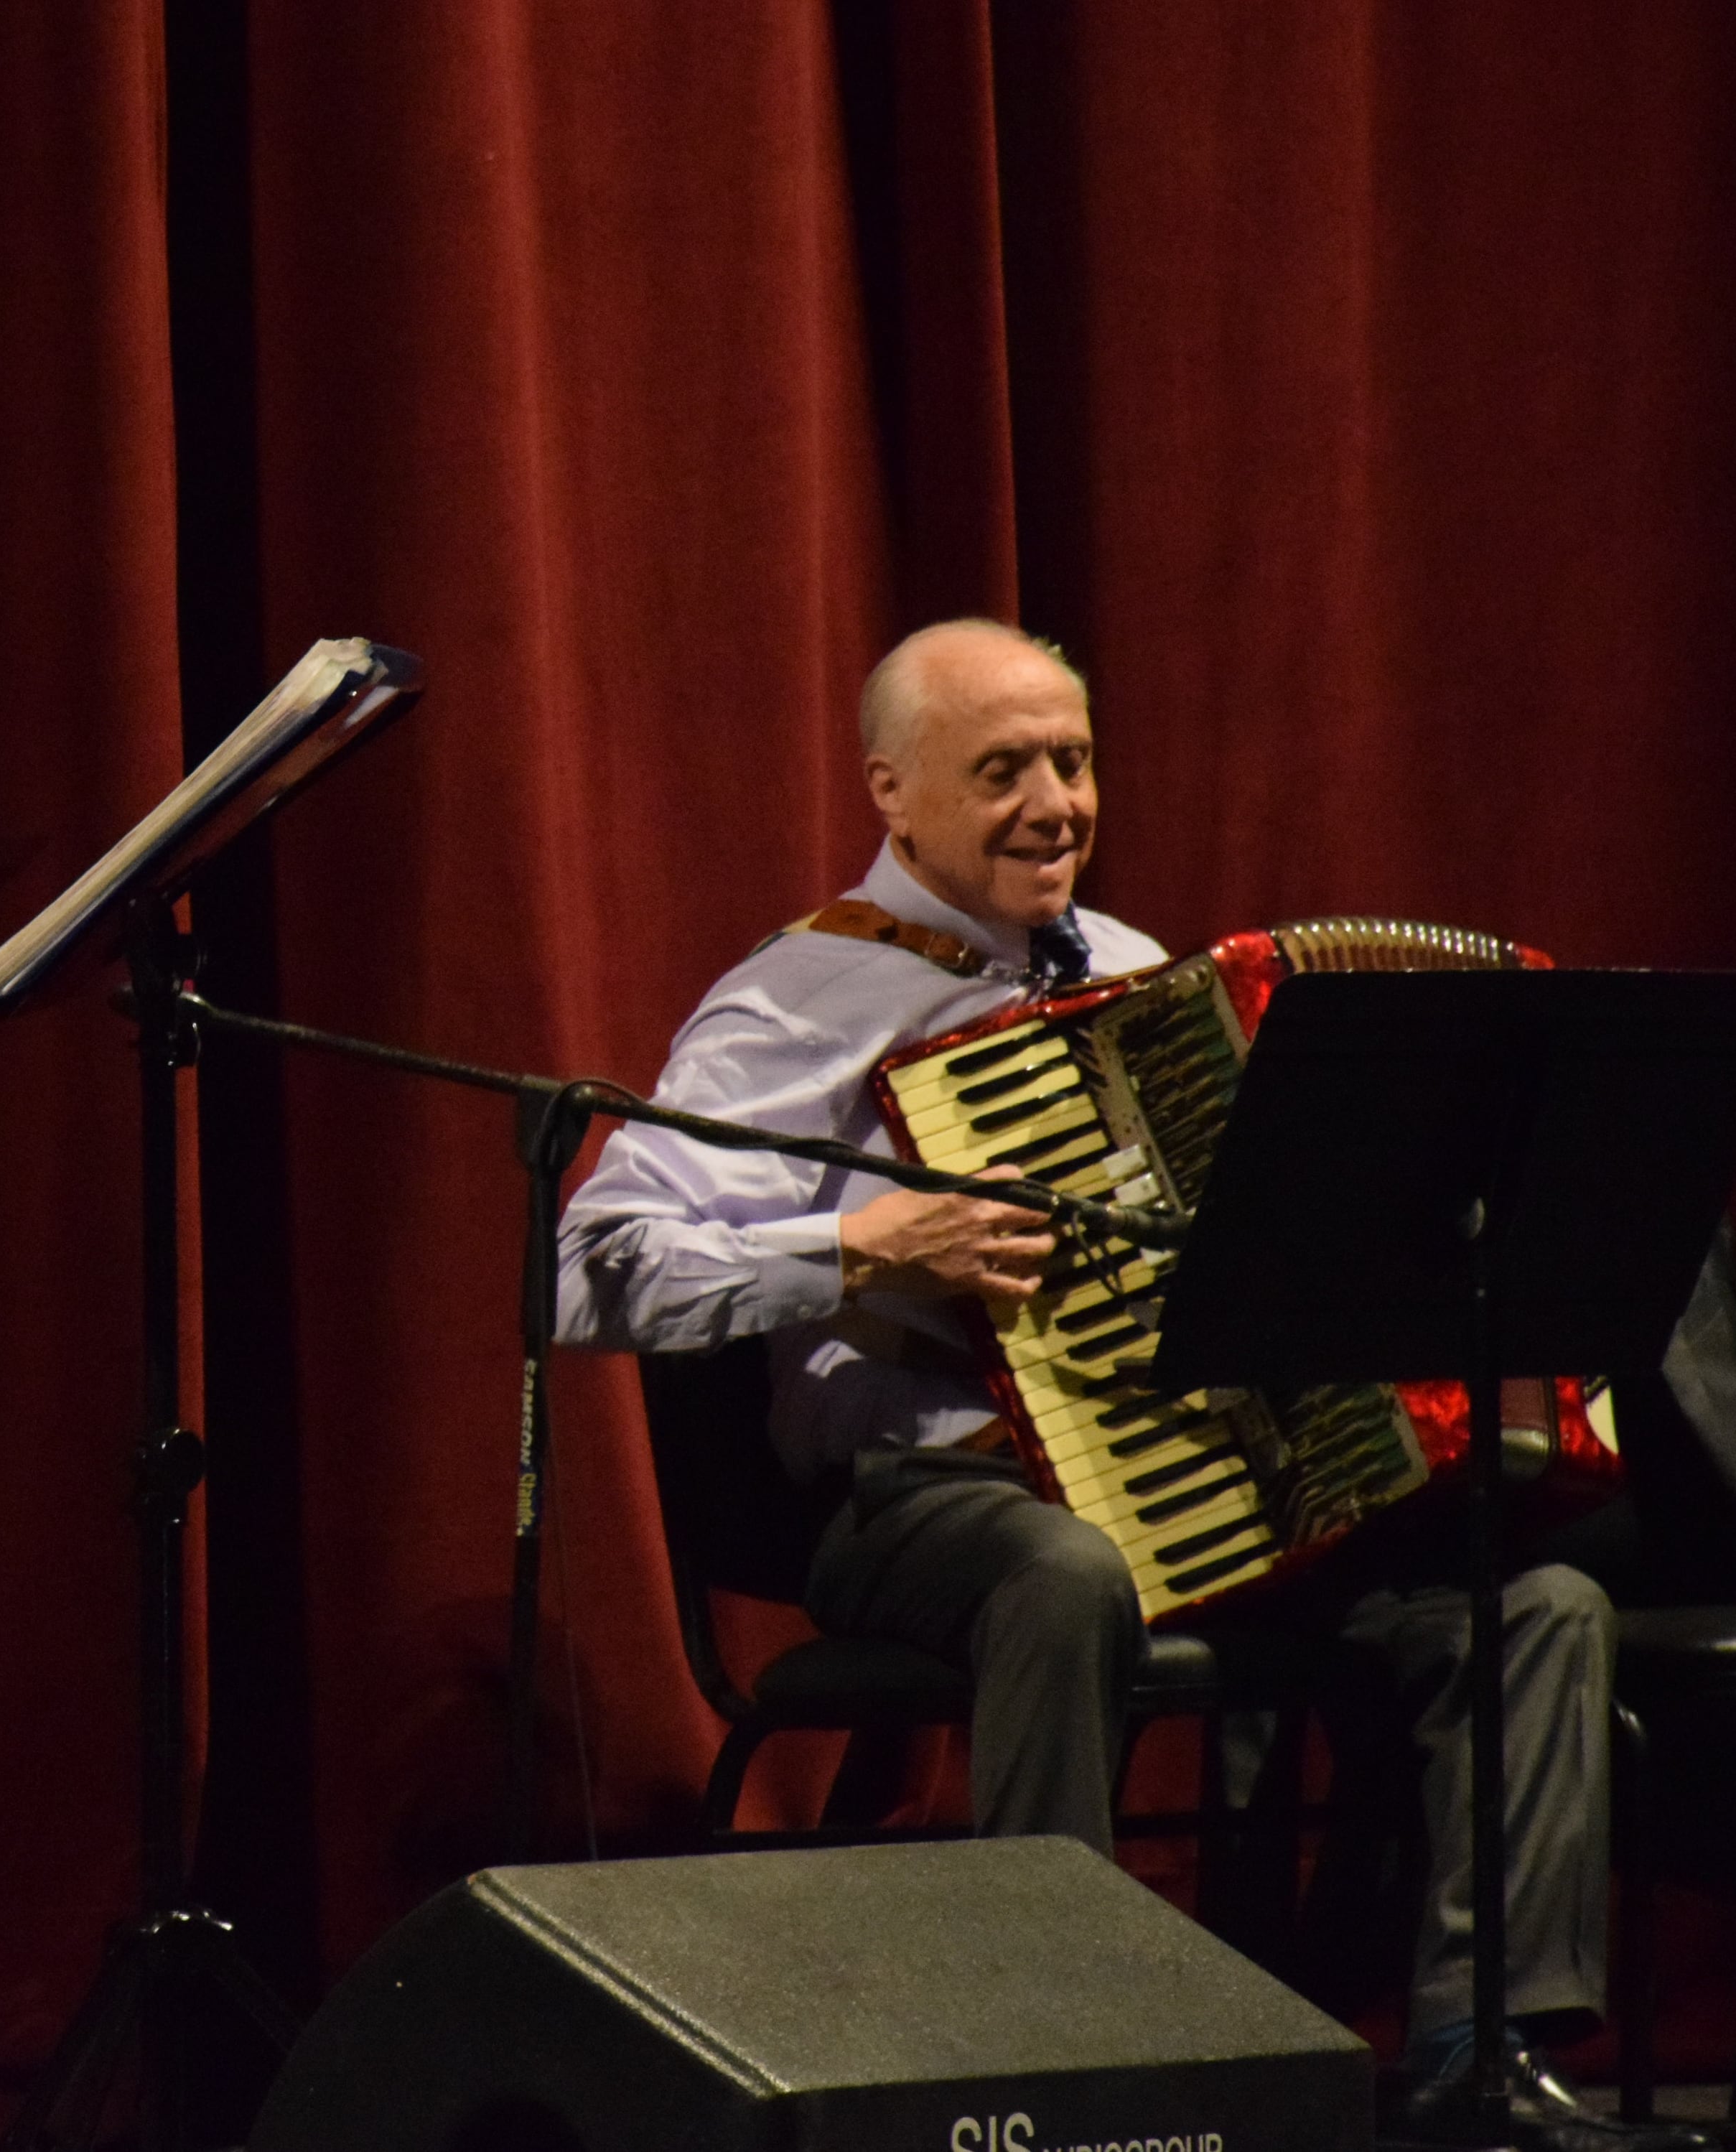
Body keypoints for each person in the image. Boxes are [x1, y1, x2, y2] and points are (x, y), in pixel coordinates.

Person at [556, 618, 1656, 2148]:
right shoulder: (796, 999)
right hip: (928, 1494)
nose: (1055, 802)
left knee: (1533, 1598)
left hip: (1202, 1487)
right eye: (1001, 769)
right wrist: (857, 1248)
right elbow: (588, 1264)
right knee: (1062, 1569)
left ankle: (1482, 2054)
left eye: (1071, 761)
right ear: (893, 792)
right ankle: (1046, 2061)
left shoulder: (1147, 979)